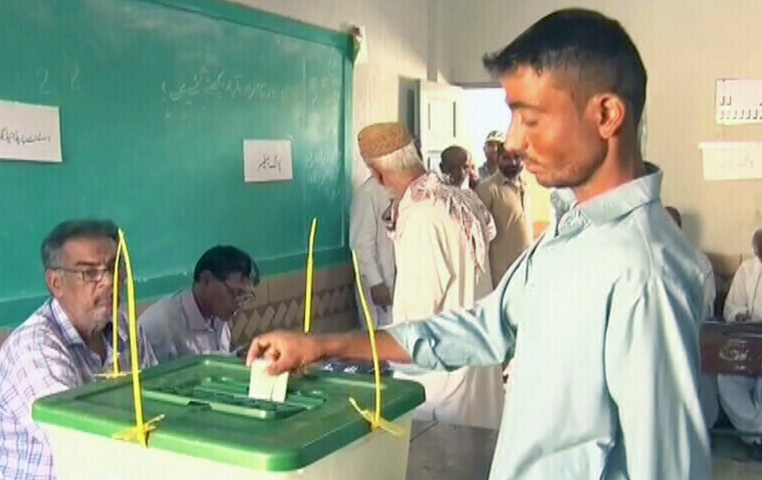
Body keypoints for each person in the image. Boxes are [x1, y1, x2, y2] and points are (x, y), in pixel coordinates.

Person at [245, 9, 711, 479]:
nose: (511, 141)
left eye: (529, 118)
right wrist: (323, 345)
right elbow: (478, 328)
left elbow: (670, 467)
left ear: (607, 114)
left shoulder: (643, 272)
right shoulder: (572, 235)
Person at [352, 121, 503, 429]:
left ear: (378, 173)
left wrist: (375, 353)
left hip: (444, 386)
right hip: (478, 369)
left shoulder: (422, 217)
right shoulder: (461, 198)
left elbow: (418, 322)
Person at [0, 219, 158, 480]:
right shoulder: (34, 350)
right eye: (89, 273)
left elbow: (158, 401)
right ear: (56, 283)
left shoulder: (123, 326)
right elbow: (82, 446)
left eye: (114, 268)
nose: (109, 281)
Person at [140, 245, 259, 363]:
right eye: (236, 293)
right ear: (206, 280)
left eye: (245, 297)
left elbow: (215, 361)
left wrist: (238, 356)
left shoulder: (218, 314)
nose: (239, 304)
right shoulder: (158, 325)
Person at [666, 205, 720, 429]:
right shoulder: (647, 259)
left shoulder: (699, 261)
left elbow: (707, 302)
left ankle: (702, 429)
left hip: (694, 330)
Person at [717, 228, 762, 459]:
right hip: (747, 341)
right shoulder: (747, 270)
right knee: (727, 378)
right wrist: (740, 315)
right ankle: (755, 435)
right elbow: (732, 306)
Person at [475, 148, 534, 287]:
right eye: (507, 158)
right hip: (500, 276)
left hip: (525, 271)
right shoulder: (487, 189)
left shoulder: (525, 187)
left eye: (517, 157)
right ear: (498, 159)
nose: (513, 162)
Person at [349, 174, 396, 328]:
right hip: (381, 286)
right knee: (377, 341)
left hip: (400, 287)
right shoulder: (368, 193)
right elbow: (361, 244)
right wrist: (376, 282)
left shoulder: (405, 191)